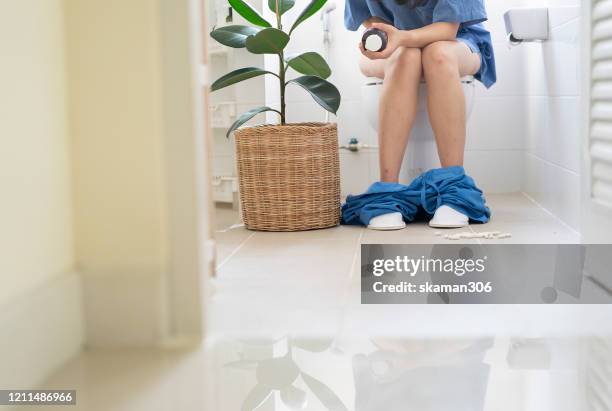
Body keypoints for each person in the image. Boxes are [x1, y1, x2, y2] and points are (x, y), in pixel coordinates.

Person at [345, 0, 496, 230]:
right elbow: (367, 16)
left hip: (456, 41)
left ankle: (453, 191)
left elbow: (448, 29)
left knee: (438, 54)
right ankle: (387, 192)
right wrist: (388, 37)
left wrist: (403, 38)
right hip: (396, 46)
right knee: (406, 57)